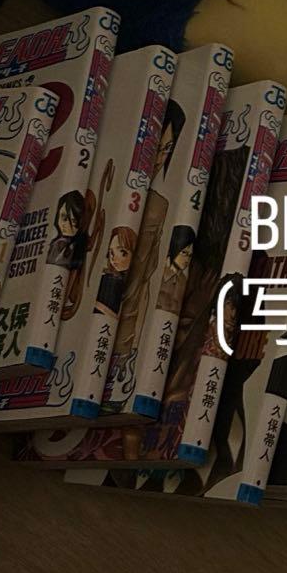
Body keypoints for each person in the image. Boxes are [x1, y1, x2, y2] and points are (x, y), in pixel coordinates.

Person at [108, 100, 186, 373]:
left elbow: (147, 281)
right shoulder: (109, 184)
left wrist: (136, 342)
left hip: (126, 334)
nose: (158, 158)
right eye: (155, 147)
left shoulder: (159, 206)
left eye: (166, 149)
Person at [93, 226, 137, 319]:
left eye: (122, 252)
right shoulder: (107, 279)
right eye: (111, 252)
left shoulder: (134, 283)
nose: (113, 258)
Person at [155, 224, 195, 316]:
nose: (187, 259)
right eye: (184, 253)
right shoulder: (158, 272)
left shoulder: (184, 281)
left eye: (190, 255)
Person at [46, 190, 87, 269]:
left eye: (73, 221)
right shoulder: (56, 243)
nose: (66, 224)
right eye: (63, 217)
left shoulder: (75, 247)